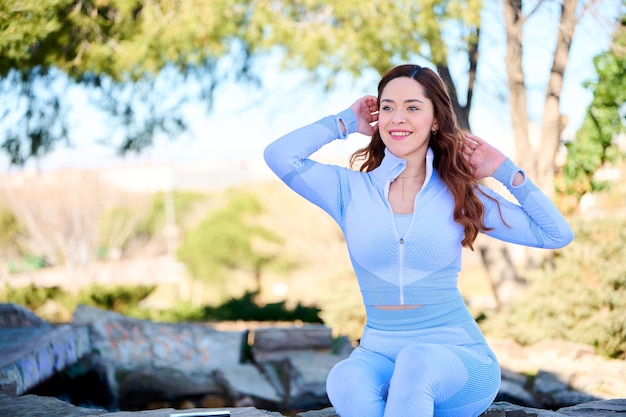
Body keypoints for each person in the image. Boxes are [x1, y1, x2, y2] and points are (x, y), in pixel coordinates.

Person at [263, 64, 574, 417]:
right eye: (388, 106)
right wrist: (345, 121)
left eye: (412, 107)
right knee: (345, 378)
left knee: (417, 361)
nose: (398, 118)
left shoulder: (461, 194)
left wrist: (503, 170)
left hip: (456, 361)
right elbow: (279, 155)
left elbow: (556, 233)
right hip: (378, 354)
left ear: (436, 119)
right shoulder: (349, 191)